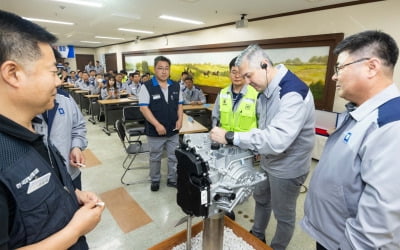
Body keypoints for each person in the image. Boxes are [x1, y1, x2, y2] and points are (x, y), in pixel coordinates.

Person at [0, 10, 104, 249]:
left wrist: (72, 196)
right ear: (13, 73)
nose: (59, 81)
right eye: (53, 72)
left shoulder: (32, 132)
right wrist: (75, 229)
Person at [301, 31, 400, 250]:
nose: (334, 76)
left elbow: (378, 224)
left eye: (340, 68)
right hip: (333, 235)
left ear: (371, 67)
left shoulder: (391, 125)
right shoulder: (361, 113)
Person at [210, 44, 315, 250]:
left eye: (249, 76)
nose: (247, 82)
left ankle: (276, 247)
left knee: (283, 214)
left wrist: (231, 136)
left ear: (264, 64)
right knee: (261, 199)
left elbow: (277, 139)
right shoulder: (265, 89)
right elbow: (263, 127)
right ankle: (258, 235)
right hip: (266, 160)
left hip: (288, 167)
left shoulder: (292, 93)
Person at [33, 49, 88, 190]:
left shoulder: (65, 99)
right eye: (52, 73)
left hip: (70, 173)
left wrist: (76, 146)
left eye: (57, 73)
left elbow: (78, 126)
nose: (58, 81)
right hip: (38, 185)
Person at [138, 56, 183, 192]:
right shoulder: (147, 87)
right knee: (155, 157)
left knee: (173, 156)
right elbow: (144, 108)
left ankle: (172, 178)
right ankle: (155, 179)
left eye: (166, 68)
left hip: (173, 130)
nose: (164, 71)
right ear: (154, 69)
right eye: (160, 68)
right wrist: (157, 125)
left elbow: (180, 105)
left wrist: (180, 119)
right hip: (155, 131)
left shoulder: (176, 85)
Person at [212, 56, 258, 131]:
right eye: (234, 72)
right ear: (229, 73)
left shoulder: (256, 95)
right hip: (224, 140)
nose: (237, 76)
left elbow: (262, 124)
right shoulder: (222, 93)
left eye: (240, 72)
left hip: (246, 141)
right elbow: (215, 117)